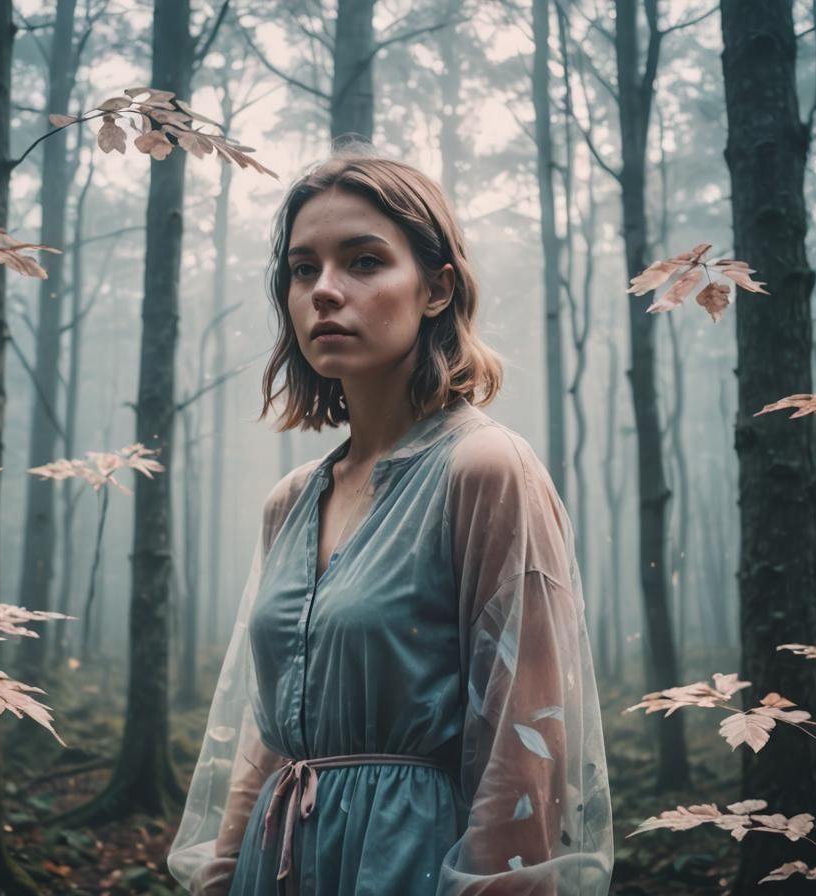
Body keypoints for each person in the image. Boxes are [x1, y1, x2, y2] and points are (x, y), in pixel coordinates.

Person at [167, 153, 612, 895]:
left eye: (365, 261)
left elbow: (525, 746)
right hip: (273, 869)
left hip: (407, 863)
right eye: (303, 269)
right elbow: (267, 736)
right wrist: (222, 877)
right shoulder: (292, 499)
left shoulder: (485, 470)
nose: (326, 291)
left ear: (436, 288)